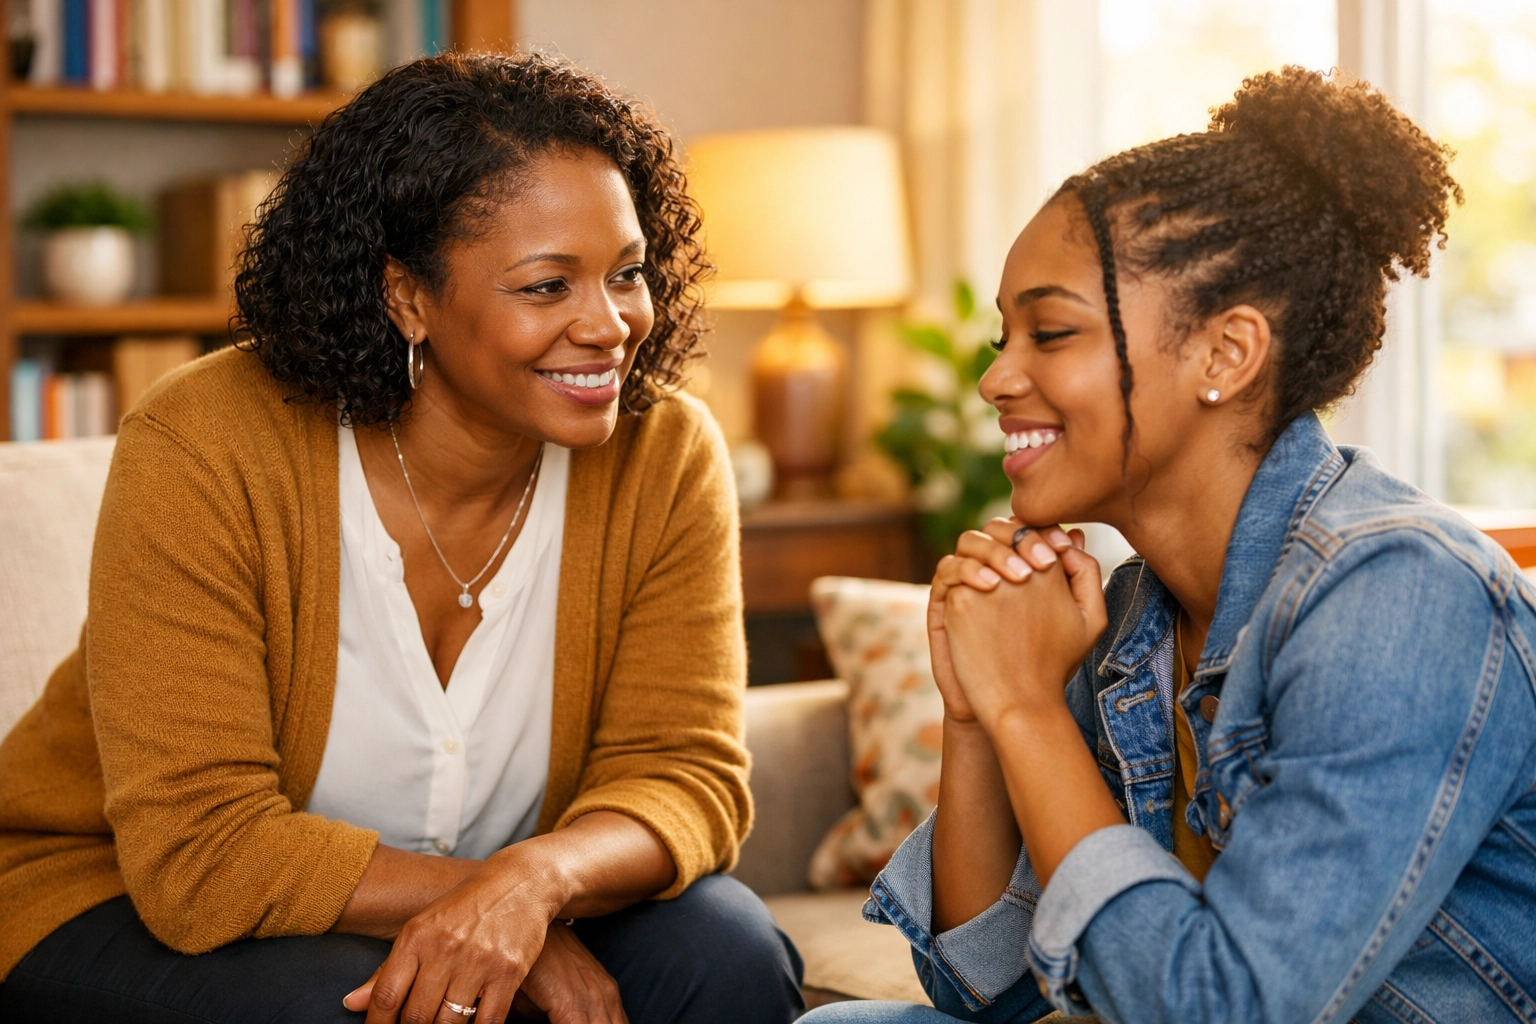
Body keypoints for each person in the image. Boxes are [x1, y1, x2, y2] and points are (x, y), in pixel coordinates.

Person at [0, 53, 803, 1024]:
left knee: (729, 953)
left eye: (627, 273)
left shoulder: (662, 451)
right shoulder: (204, 439)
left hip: (505, 883)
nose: (610, 325)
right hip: (117, 893)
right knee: (385, 1013)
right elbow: (202, 852)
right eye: (548, 286)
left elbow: (686, 774)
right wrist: (499, 916)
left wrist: (533, 884)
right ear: (407, 296)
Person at [804, 67, 1536, 1024]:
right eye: (1002, 337)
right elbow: (983, 985)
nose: (996, 380)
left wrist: (1027, 707)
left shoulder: (1399, 593)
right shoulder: (1134, 623)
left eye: (1050, 332)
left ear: (1225, 355)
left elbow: (1224, 1008)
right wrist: (981, 709)